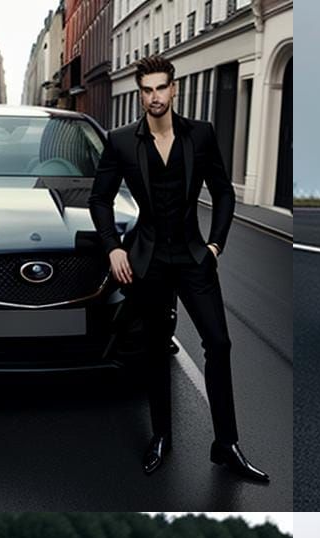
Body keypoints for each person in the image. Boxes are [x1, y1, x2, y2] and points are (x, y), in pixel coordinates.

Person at [88, 54, 269, 482]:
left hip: (192, 256)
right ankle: (162, 437)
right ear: (141, 94)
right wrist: (113, 248)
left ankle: (227, 445)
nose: (155, 97)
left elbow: (224, 193)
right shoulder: (120, 142)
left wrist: (215, 245)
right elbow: (99, 199)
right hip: (148, 260)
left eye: (161, 88)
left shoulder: (200, 136)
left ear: (174, 89)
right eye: (147, 90)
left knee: (219, 344)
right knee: (155, 350)